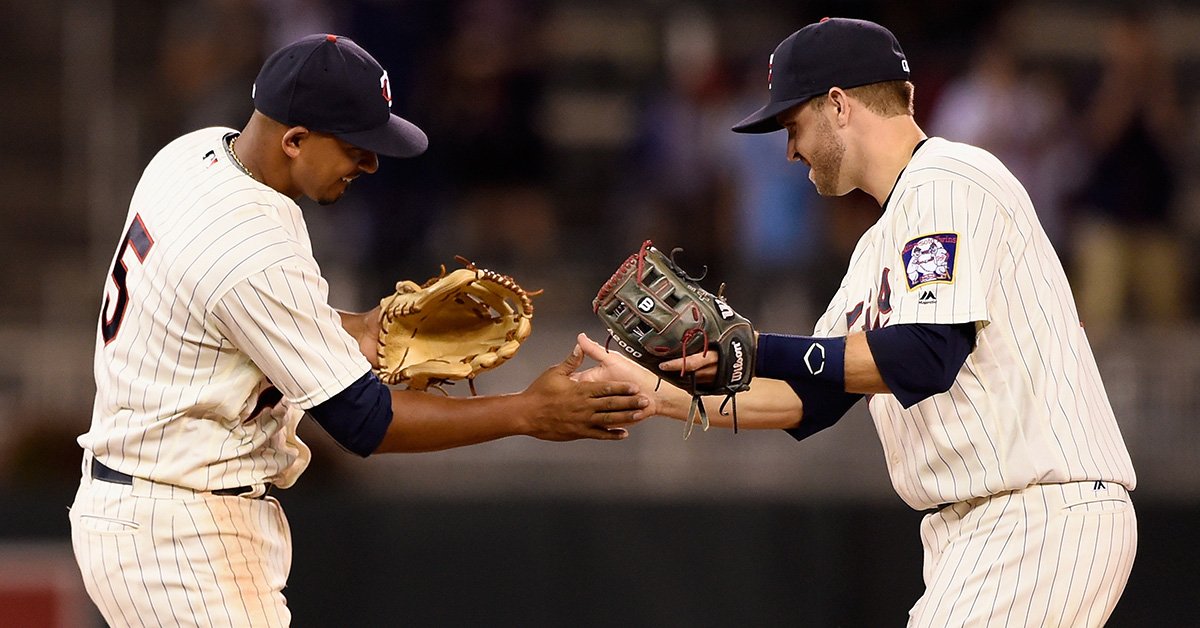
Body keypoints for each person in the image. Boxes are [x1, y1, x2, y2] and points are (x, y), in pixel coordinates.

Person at [70, 33, 649, 627]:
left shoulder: (192, 155)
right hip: (177, 535)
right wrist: (528, 412)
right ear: (295, 140)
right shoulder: (251, 248)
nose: (371, 163)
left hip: (145, 507)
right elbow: (365, 421)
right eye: (356, 147)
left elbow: (223, 318)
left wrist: (363, 329)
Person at [577, 17, 1136, 627]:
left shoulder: (948, 181)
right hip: (985, 532)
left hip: (1038, 517)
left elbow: (925, 356)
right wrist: (662, 395)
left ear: (838, 105)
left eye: (792, 126)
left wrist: (755, 348)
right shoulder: (877, 249)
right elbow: (808, 395)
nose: (789, 150)